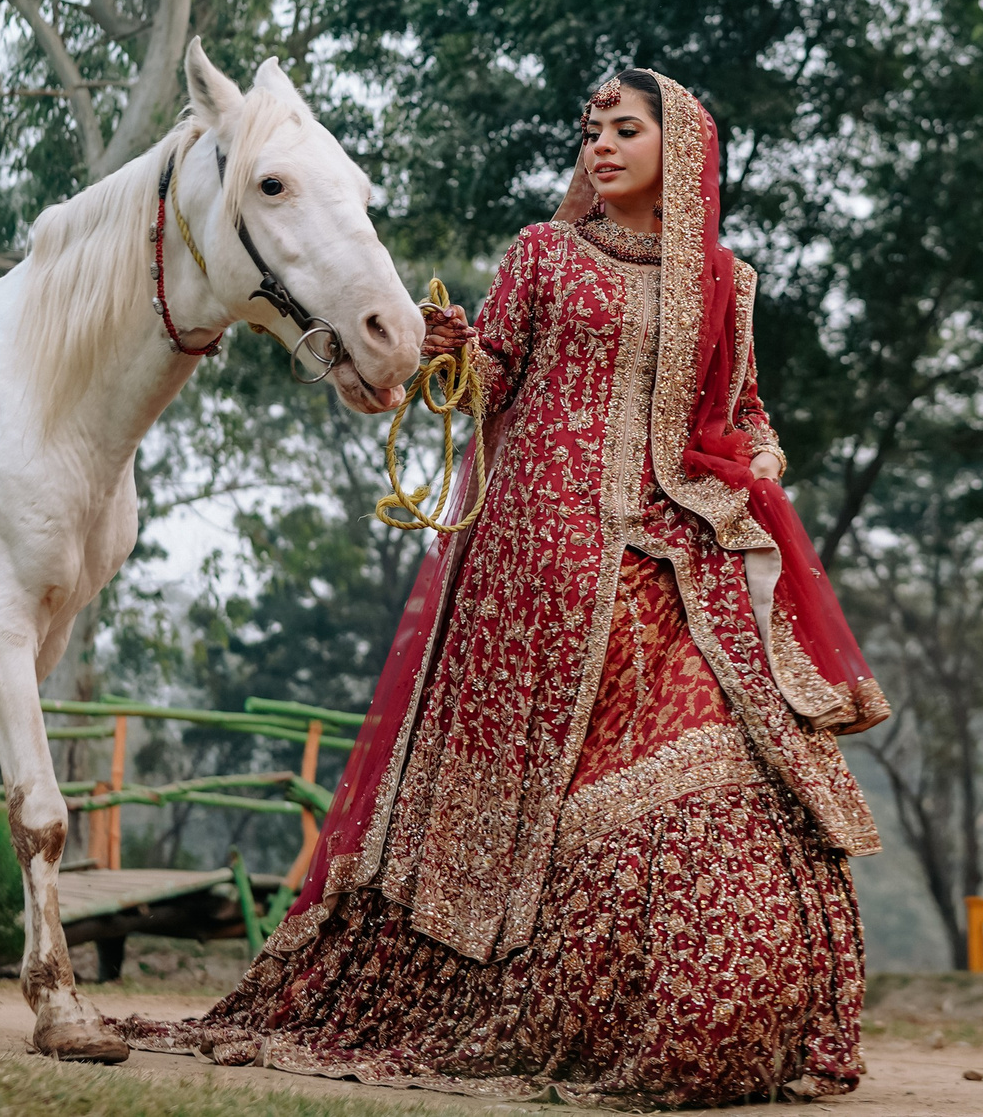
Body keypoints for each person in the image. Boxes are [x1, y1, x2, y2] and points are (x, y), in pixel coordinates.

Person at [127, 70, 890, 1106]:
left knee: (741, 763)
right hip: (532, 568)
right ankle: (541, 1003)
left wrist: (759, 462)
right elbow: (490, 375)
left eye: (625, 129)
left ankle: (709, 1018)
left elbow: (742, 407)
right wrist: (447, 356)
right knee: (530, 806)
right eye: (591, 131)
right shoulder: (542, 253)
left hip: (671, 559)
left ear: (686, 150)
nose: (601, 147)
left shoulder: (724, 283)